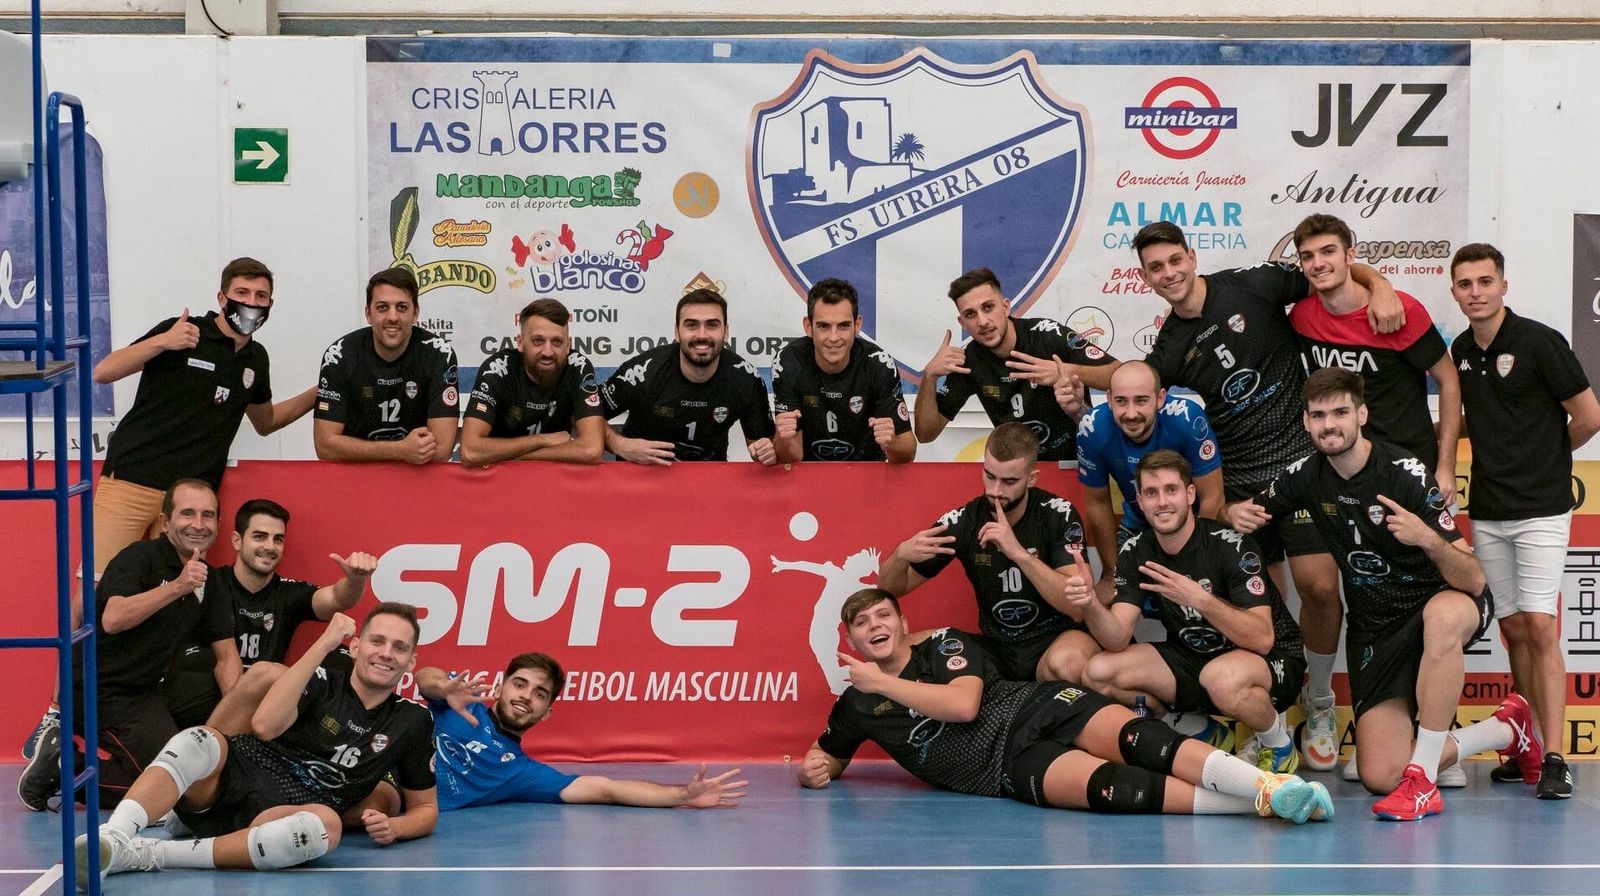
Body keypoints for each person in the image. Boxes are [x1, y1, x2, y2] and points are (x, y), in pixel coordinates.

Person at [20, 257, 314, 773]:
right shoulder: (186, 332)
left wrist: (322, 392)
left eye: (261, 295)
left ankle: (146, 714)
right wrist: (164, 342)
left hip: (191, 509)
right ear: (222, 297)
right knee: (89, 597)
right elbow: (104, 369)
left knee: (176, 605)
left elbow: (265, 422)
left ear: (270, 303)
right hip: (132, 481)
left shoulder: (256, 359)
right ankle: (56, 713)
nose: (251, 302)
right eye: (242, 292)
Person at [1134, 220, 1403, 772]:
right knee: (1265, 610)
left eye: (1173, 261)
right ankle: (1273, 724)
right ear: (1145, 277)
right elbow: (1129, 390)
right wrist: (1068, 376)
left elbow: (1329, 278)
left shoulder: (1251, 283)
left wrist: (1382, 287)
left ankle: (1321, 702)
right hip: (1240, 488)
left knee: (1320, 589)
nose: (1168, 274)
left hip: (1302, 470)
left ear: (1191, 255)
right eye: (1155, 268)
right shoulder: (1168, 345)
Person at [1224, 367, 1545, 820]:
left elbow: (1474, 580)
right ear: (1306, 423)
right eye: (1318, 415)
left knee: (1444, 616)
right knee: (1379, 773)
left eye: (1340, 412)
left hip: (1442, 602)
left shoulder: (1405, 474)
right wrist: (1233, 511)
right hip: (1376, 626)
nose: (1329, 424)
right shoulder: (1303, 476)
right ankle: (1504, 730)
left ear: (1362, 415)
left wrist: (1427, 538)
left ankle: (1421, 785)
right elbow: (1248, 511)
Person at [796, 588, 1332, 823]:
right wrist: (818, 767)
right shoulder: (856, 705)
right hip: (1005, 768)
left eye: (884, 617)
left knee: (1141, 742)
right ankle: (1265, 801)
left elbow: (962, 707)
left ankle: (1263, 782)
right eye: (863, 625)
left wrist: (883, 685)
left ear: (902, 624)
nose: (877, 628)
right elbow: (830, 753)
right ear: (851, 639)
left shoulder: (944, 647)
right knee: (1119, 789)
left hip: (1034, 709)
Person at [75, 605, 437, 887]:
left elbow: (425, 809)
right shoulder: (322, 678)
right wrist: (325, 642)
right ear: (356, 646)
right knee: (199, 739)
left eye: (399, 647)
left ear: (411, 660)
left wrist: (398, 828)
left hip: (277, 814)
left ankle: (147, 855)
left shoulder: (412, 721)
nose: (386, 653)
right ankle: (112, 836)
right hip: (233, 777)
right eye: (377, 641)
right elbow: (264, 725)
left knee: (325, 828)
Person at [1450, 242, 1600, 798]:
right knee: (1511, 628)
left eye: (1485, 282)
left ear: (1503, 285)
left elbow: (1588, 416)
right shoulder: (1462, 350)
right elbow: (1472, 421)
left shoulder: (1541, 341)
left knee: (1540, 626)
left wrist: (1547, 456)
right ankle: (1527, 743)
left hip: (1542, 508)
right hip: (1487, 510)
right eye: (1465, 284)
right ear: (1455, 292)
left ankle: (1557, 755)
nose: (1476, 293)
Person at [20, 480, 242, 812]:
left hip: (146, 688)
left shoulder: (209, 581)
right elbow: (113, 618)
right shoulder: (139, 557)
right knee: (170, 789)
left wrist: (238, 720)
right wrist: (179, 586)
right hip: (98, 687)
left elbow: (226, 656)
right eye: (188, 514)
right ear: (165, 522)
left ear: (218, 525)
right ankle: (64, 770)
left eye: (208, 515)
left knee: (211, 692)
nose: (198, 524)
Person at [1078, 451, 1305, 773]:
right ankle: (1197, 729)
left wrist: (1202, 600)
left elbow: (1263, 638)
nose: (1162, 502)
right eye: (1151, 493)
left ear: (1189, 495)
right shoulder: (1136, 549)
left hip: (1271, 659)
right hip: (1194, 656)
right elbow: (1116, 638)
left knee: (1220, 678)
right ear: (1139, 502)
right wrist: (1089, 603)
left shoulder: (1230, 545)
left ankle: (1278, 744)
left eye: (1171, 490)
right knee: (1098, 672)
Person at [878, 422, 1096, 681]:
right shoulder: (964, 521)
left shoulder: (1058, 513)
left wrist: (1020, 554)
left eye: (1009, 481)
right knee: (901, 652)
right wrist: (901, 555)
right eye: (990, 476)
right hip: (996, 647)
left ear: (1032, 478)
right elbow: (889, 589)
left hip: (1055, 638)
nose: (995, 491)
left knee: (1066, 663)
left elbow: (1078, 608)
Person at [418, 653, 746, 810]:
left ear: (546, 713)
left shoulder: (521, 773)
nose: (525, 697)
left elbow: (604, 789)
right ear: (501, 687)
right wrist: (445, 687)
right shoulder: (461, 704)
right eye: (520, 685)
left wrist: (682, 795)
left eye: (539, 694)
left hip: (405, 812)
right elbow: (425, 677)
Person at [161, 498, 377, 729]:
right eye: (259, 536)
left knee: (338, 662)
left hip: (259, 704)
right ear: (237, 540)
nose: (270, 546)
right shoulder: (208, 582)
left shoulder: (288, 592)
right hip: (198, 700)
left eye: (278, 539)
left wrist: (355, 580)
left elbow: (336, 598)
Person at [1289, 213, 1460, 494]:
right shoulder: (1302, 317)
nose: (1318, 263)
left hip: (1411, 467)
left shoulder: (1401, 312)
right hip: (1344, 471)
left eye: (1328, 251)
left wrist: (1446, 467)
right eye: (1308, 256)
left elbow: (1449, 380)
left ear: (1350, 256)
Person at [913, 267, 1117, 461]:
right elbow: (925, 434)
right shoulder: (968, 361)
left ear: (1005, 306)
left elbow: (1119, 375)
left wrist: (1064, 371)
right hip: (1018, 474)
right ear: (962, 323)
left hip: (1078, 462)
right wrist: (929, 376)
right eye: (970, 314)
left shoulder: (1048, 334)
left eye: (988, 307)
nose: (982, 321)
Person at [1069, 360, 1223, 601]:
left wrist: (1196, 559)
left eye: (1141, 400)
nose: (1131, 413)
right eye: (1121, 401)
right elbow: (1097, 504)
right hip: (1137, 526)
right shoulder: (1091, 428)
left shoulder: (1187, 418)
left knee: (1206, 593)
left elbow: (1212, 497)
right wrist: (1111, 572)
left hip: (1190, 524)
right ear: (1108, 398)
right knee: (1106, 599)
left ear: (1160, 398)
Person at [601, 287, 777, 464]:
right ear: (677, 332)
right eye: (691, 325)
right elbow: (584, 417)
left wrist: (766, 451)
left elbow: (761, 446)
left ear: (726, 332)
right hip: (641, 478)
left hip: (708, 481)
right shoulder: (640, 372)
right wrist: (620, 445)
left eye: (712, 325)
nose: (702, 335)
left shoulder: (746, 379)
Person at [314, 267, 459, 463]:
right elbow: (324, 447)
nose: (392, 317)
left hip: (416, 479)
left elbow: (441, 450)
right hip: (356, 479)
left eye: (402, 307)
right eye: (382, 307)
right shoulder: (340, 355)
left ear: (416, 313)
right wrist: (400, 450)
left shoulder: (439, 354)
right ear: (368, 313)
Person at [772, 278, 915, 463]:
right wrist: (783, 439)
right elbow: (792, 456)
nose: (834, 337)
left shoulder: (878, 364)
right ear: (808, 326)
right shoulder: (788, 361)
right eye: (823, 326)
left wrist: (892, 443)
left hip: (867, 475)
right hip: (808, 476)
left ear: (857, 325)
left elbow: (908, 451)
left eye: (843, 326)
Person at [459, 298, 605, 466]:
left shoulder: (578, 366)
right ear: (520, 343)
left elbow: (591, 449)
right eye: (538, 341)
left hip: (554, 479)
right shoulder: (497, 369)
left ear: (567, 345)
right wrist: (541, 440)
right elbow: (470, 451)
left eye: (557, 342)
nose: (548, 351)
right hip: (500, 480)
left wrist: (511, 456)